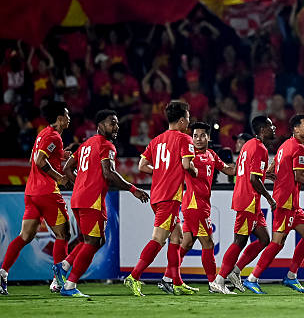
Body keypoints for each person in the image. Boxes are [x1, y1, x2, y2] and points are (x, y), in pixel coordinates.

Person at [243, 114, 304, 294]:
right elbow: (299, 176)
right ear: (296, 129)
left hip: (291, 202)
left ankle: (291, 276)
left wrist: (272, 175)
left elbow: (272, 167)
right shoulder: (299, 148)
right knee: (277, 242)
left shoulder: (285, 145)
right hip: (285, 202)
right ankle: (252, 279)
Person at [59, 110, 149, 297]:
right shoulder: (106, 146)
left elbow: (67, 168)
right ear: (100, 125)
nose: (116, 127)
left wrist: (81, 185)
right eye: (112, 123)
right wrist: (133, 189)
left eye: (117, 123)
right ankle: (69, 285)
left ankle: (64, 266)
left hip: (79, 199)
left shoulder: (86, 144)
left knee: (91, 241)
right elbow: (109, 173)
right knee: (93, 242)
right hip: (92, 201)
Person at [123, 101, 198, 296]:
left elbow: (141, 166)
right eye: (188, 118)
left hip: (157, 195)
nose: (189, 122)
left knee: (177, 237)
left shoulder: (156, 140)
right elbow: (187, 165)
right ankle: (134, 276)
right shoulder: (184, 139)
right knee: (158, 239)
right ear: (181, 121)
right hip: (169, 197)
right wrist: (194, 171)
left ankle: (176, 282)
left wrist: (161, 171)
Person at [0, 101, 71, 296]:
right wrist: (59, 177)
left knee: (25, 236)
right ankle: (58, 281)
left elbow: (33, 158)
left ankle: (3, 273)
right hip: (47, 193)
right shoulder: (54, 136)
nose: (69, 118)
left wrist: (60, 155)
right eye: (66, 115)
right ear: (59, 118)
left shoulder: (43, 134)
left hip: (31, 192)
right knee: (63, 234)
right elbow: (39, 161)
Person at [157, 122, 235, 294]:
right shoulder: (188, 156)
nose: (198, 139)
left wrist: (245, 167)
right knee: (208, 243)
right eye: (195, 136)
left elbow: (228, 170)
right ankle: (214, 283)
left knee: (186, 243)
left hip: (200, 204)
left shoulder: (211, 155)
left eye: (202, 135)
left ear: (208, 137)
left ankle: (167, 279)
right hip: (195, 205)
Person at [211, 116, 276, 294]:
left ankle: (235, 271)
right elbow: (253, 179)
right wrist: (269, 198)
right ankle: (219, 280)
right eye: (270, 126)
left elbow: (248, 171)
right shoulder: (260, 148)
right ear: (262, 130)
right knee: (239, 241)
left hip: (248, 199)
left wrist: (265, 174)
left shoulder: (248, 145)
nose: (274, 128)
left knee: (264, 239)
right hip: (248, 200)